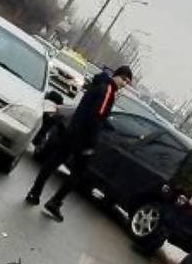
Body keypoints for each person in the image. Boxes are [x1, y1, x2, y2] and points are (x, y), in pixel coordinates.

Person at [25, 65, 133, 222]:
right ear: (116, 76)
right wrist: (90, 144)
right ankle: (55, 202)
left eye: (127, 82)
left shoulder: (98, 85)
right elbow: (97, 117)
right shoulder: (107, 90)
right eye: (124, 79)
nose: (124, 84)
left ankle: (35, 192)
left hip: (72, 131)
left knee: (54, 162)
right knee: (78, 173)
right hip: (82, 138)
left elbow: (89, 111)